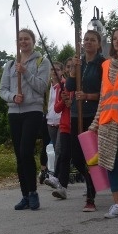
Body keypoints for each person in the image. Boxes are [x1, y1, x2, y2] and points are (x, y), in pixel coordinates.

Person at [88, 27, 118, 219]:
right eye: (114, 38)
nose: (117, 41)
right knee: (111, 165)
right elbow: (104, 97)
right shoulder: (106, 65)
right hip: (107, 121)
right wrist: (95, 123)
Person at [0, 28, 51, 211]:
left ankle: (33, 192)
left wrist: (26, 73)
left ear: (33, 41)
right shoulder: (10, 64)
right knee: (19, 157)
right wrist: (13, 97)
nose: (23, 42)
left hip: (33, 111)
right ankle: (24, 195)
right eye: (20, 39)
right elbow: (2, 89)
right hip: (14, 112)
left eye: (26, 39)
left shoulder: (42, 62)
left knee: (25, 152)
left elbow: (42, 87)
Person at [65, 30, 105, 212]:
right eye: (86, 40)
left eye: (92, 40)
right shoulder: (79, 62)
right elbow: (70, 86)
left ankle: (91, 196)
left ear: (98, 44)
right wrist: (73, 69)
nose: (88, 43)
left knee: (91, 156)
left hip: (93, 114)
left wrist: (88, 95)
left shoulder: (102, 64)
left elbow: (106, 92)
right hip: (76, 113)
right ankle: (95, 182)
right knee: (76, 156)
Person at [44, 60, 73, 200]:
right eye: (52, 69)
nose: (54, 72)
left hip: (66, 123)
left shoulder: (65, 84)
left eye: (57, 69)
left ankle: (56, 177)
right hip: (55, 122)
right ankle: (59, 179)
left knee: (63, 151)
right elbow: (55, 106)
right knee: (60, 151)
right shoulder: (52, 87)